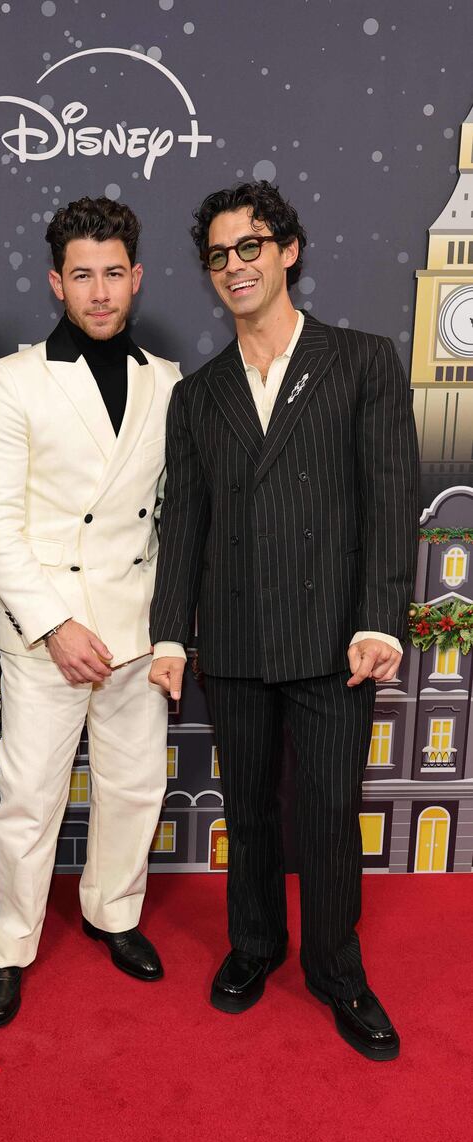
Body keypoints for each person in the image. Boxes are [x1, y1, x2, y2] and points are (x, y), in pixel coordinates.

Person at [149, 181, 419, 1061]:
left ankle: (339, 974)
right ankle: (256, 945)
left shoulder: (363, 360)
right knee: (251, 810)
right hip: (229, 639)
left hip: (334, 640)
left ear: (289, 250)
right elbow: (182, 521)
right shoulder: (198, 397)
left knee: (331, 812)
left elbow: (389, 500)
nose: (236, 266)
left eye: (252, 247)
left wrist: (381, 618)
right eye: (220, 255)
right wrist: (169, 634)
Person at [0, 196, 180, 1027]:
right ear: (58, 280)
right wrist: (54, 624)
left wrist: (166, 632)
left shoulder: (168, 383)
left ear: (138, 277)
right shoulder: (14, 380)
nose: (100, 291)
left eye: (114, 273)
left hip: (133, 626)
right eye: (82, 274)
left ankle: (113, 913)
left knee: (133, 789)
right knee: (28, 798)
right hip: (45, 633)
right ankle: (10, 942)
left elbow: (175, 516)